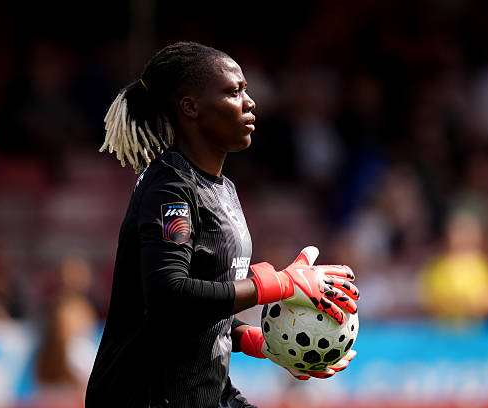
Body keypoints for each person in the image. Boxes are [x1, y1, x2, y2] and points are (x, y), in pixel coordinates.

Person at [85, 42, 360, 408]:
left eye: (245, 90)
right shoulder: (170, 188)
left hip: (206, 393)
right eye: (234, 92)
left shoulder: (223, 189)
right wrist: (279, 284)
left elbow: (198, 307)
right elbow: (168, 296)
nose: (250, 102)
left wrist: (253, 339)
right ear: (191, 107)